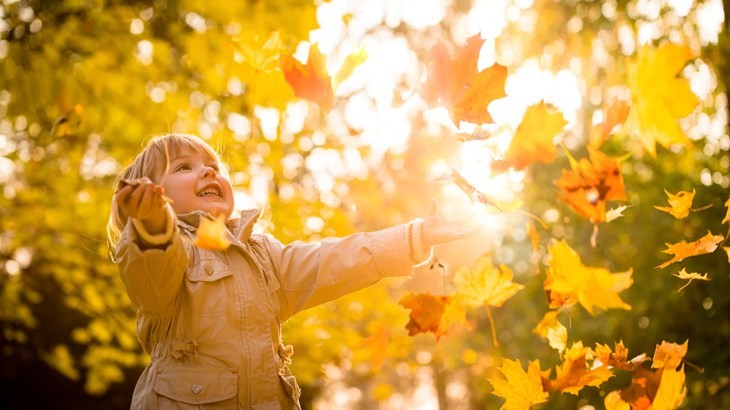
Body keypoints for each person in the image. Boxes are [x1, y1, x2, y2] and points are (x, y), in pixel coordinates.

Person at [108, 133, 477, 409]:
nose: (207, 170)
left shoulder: (263, 254)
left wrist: (415, 235)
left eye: (213, 166)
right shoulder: (167, 251)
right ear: (153, 196)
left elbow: (332, 260)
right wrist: (153, 224)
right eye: (184, 167)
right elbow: (150, 270)